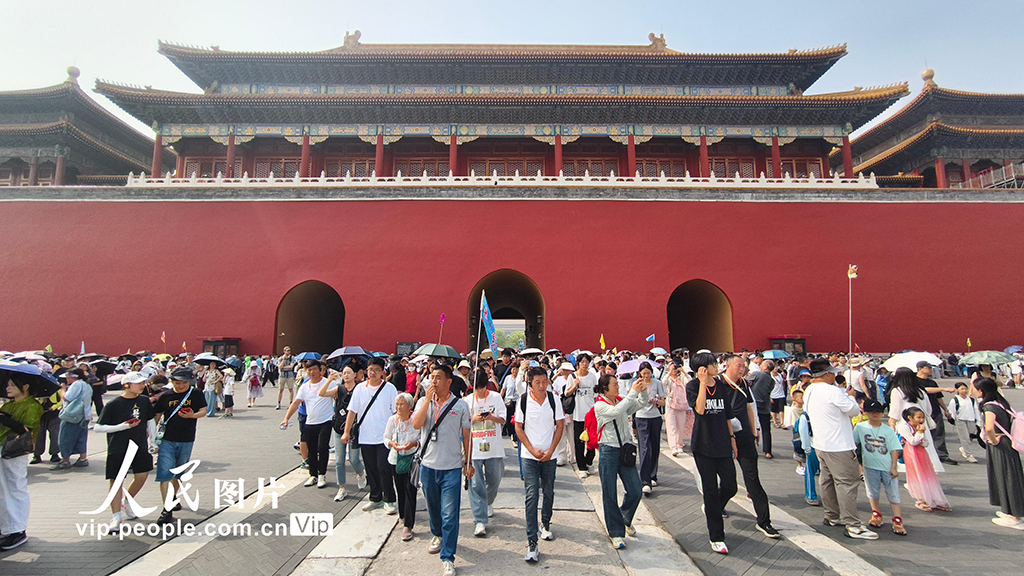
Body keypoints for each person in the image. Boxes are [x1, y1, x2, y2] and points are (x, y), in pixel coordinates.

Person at [803, 358, 877, 539]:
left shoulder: (810, 390)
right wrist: (850, 395)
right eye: (833, 372)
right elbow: (853, 411)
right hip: (839, 445)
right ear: (827, 373)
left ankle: (832, 515)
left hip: (821, 443)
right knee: (847, 484)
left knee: (827, 481)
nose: (836, 375)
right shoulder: (833, 391)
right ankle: (853, 525)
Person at [411, 364, 473, 576]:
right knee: (434, 508)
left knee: (450, 514)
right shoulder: (423, 402)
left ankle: (447, 556)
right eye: (431, 377)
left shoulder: (460, 406)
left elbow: (467, 436)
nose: (433, 381)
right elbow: (416, 425)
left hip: (452, 467)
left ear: (449, 381)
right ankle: (436, 534)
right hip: (428, 466)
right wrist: (427, 400)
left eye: (438, 378)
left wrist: (468, 462)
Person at [721, 354, 779, 538]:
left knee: (753, 479)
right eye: (738, 365)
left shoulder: (745, 384)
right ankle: (716, 505)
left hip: (744, 436)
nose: (742, 368)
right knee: (729, 483)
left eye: (744, 366)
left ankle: (764, 521)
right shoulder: (718, 384)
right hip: (724, 437)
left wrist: (755, 430)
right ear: (728, 366)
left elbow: (749, 407)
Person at [685, 352, 738, 554]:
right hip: (703, 445)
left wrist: (732, 439)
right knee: (709, 489)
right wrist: (701, 383)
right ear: (704, 368)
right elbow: (699, 409)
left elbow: (727, 415)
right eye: (714, 364)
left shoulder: (722, 386)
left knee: (730, 485)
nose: (718, 366)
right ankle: (716, 537)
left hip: (723, 442)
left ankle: (712, 506)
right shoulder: (692, 386)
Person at [515, 366, 564, 563]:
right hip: (529, 456)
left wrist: (552, 449)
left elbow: (559, 425)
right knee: (531, 495)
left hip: (550, 456)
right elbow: (518, 427)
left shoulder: (554, 399)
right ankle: (532, 541)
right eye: (538, 383)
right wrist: (532, 449)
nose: (542, 386)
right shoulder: (524, 401)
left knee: (549, 491)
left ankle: (545, 522)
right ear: (530, 383)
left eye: (545, 382)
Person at [94, 372, 156, 528]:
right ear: (127, 385)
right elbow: (98, 427)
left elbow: (150, 421)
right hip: (118, 447)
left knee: (141, 477)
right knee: (116, 482)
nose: (142, 386)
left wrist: (154, 441)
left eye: (143, 383)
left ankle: (127, 501)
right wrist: (122, 426)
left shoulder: (143, 401)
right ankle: (116, 517)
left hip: (139, 445)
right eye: (138, 383)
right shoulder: (113, 404)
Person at [594, 372, 647, 549]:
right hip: (608, 451)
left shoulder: (619, 400)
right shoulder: (600, 405)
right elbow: (617, 412)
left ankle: (625, 517)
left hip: (624, 450)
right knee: (609, 493)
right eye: (614, 384)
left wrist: (642, 391)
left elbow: (639, 404)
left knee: (635, 490)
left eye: (617, 384)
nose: (618, 387)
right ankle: (616, 532)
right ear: (605, 388)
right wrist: (632, 392)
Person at [343, 357, 398, 513]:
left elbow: (395, 412)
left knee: (384, 467)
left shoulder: (389, 388)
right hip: (365, 435)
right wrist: (346, 432)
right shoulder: (360, 389)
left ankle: (389, 499)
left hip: (385, 437)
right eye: (370, 370)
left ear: (382, 372)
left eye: (376, 370)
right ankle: (375, 498)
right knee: (371, 468)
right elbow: (352, 411)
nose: (373, 373)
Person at [153, 367, 207, 525]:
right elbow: (156, 416)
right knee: (165, 474)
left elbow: (203, 411)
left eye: (184, 383)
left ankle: (172, 497)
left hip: (187, 439)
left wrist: (192, 415)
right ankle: (166, 509)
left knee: (178, 474)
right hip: (167, 440)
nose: (181, 385)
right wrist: (150, 437)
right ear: (171, 382)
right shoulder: (166, 396)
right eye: (177, 382)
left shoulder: (195, 394)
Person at [0, 374, 43, 550]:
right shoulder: (9, 405)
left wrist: (3, 417)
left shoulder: (33, 405)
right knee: (3, 490)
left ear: (25, 387)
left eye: (12, 385)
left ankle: (17, 529)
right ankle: (6, 527)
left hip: (15, 451)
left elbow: (27, 428)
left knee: (14, 488)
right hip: (2, 448)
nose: (7, 388)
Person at [974, 377, 1024, 529]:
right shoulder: (1001, 403)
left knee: (1006, 477)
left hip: (1000, 445)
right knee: (1009, 476)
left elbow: (989, 427)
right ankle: (1010, 510)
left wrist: (993, 440)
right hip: (1007, 443)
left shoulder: (989, 407)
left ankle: (1014, 516)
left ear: (982, 391)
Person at [282, 360, 338, 489]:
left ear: (320, 370)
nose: (312, 372)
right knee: (311, 449)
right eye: (309, 370)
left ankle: (322, 474)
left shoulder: (328, 383)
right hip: (310, 421)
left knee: (322, 447)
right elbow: (296, 403)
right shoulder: (305, 386)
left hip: (326, 420)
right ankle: (313, 475)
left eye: (314, 369)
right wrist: (286, 418)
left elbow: (338, 396)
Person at [854, 399, 905, 535]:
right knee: (872, 491)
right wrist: (861, 468)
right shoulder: (860, 427)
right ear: (866, 413)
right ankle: (876, 513)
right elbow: (855, 445)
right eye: (871, 412)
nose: (875, 414)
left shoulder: (888, 430)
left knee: (893, 493)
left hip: (887, 466)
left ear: (882, 414)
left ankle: (897, 519)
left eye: (877, 412)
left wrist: (894, 467)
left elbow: (895, 449)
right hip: (869, 466)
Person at [318, 359, 368, 501]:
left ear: (355, 375)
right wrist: (329, 381)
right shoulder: (339, 389)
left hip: (354, 429)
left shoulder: (360, 389)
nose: (345, 375)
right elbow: (322, 393)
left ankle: (360, 474)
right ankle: (342, 488)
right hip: (339, 427)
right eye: (344, 373)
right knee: (339, 461)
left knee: (353, 459)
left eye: (348, 373)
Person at [464, 370, 505, 537]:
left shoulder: (496, 397)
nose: (480, 391)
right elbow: (463, 423)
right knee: (475, 484)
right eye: (477, 388)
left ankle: (487, 502)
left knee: (494, 479)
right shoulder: (466, 401)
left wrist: (491, 417)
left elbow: (503, 419)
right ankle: (479, 520)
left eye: (482, 388)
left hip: (493, 446)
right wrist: (473, 419)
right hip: (474, 448)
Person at [887, 367, 945, 473]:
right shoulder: (921, 391)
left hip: (906, 424)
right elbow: (928, 410)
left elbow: (895, 411)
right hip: (921, 424)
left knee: (909, 450)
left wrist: (892, 424)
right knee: (924, 447)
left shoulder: (897, 391)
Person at [898, 407, 952, 512]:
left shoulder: (920, 427)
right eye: (918, 417)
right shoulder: (905, 427)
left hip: (921, 452)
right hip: (911, 453)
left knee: (927, 474)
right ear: (910, 418)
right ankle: (920, 500)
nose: (921, 420)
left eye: (922, 417)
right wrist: (919, 433)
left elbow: (925, 442)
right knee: (917, 475)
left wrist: (921, 434)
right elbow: (913, 441)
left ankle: (933, 499)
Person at [385, 392, 420, 541]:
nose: (398, 407)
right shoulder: (393, 420)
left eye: (402, 404)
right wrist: (392, 444)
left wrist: (413, 444)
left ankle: (408, 525)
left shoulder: (416, 420)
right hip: (396, 459)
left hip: (412, 460)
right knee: (400, 489)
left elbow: (421, 439)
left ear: (410, 406)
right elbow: (386, 437)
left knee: (410, 490)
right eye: (397, 404)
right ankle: (403, 515)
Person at [634, 362, 665, 495]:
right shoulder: (636, 384)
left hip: (655, 417)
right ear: (640, 373)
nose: (646, 376)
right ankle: (645, 481)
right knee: (644, 448)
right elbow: (632, 401)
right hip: (641, 417)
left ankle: (653, 474)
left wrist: (656, 401)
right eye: (644, 373)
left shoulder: (657, 383)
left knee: (655, 446)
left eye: (648, 373)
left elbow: (664, 401)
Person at [565, 353, 597, 477]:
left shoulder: (592, 376)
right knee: (579, 441)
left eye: (587, 362)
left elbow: (595, 394)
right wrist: (575, 384)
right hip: (578, 413)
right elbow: (567, 393)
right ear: (578, 363)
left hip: (590, 412)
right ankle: (581, 466)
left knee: (592, 439)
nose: (585, 364)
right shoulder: (572, 377)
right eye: (582, 362)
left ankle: (589, 461)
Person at [53, 368, 91, 470]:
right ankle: (83, 458)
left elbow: (67, 398)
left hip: (73, 415)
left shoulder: (76, 384)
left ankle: (65, 460)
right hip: (84, 414)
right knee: (81, 437)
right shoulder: (86, 385)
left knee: (65, 438)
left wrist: (63, 390)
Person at [747, 360, 775, 457]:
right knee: (766, 430)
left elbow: (745, 382)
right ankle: (768, 451)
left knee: (750, 427)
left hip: (753, 405)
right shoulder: (772, 381)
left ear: (765, 367)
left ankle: (751, 448)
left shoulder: (757, 374)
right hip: (765, 407)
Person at [950, 382, 981, 463]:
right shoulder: (955, 400)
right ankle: (969, 454)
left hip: (971, 419)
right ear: (957, 390)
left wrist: (978, 421)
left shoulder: (971, 400)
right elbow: (952, 411)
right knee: (965, 438)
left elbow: (976, 410)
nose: (964, 391)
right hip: (960, 420)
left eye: (965, 389)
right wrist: (953, 420)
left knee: (970, 436)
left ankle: (964, 448)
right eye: (962, 389)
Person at [664, 361, 689, 456]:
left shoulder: (681, 378)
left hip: (681, 404)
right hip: (670, 405)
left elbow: (689, 381)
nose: (674, 370)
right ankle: (673, 447)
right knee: (671, 426)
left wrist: (683, 371)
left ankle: (679, 444)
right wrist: (669, 372)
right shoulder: (668, 378)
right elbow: (664, 382)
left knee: (680, 426)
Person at [31, 386, 62, 464]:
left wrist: (54, 407)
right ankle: (37, 455)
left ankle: (54, 454)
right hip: (39, 416)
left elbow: (63, 400)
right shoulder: (35, 390)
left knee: (55, 435)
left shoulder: (57, 389)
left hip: (53, 415)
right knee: (38, 435)